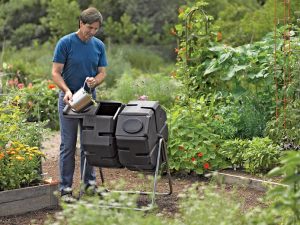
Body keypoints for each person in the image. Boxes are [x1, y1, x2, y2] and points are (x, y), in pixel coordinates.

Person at [52, 7, 107, 198]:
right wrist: (66, 90)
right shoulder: (65, 43)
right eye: (89, 28)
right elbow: (55, 72)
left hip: (89, 100)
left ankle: (89, 185)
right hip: (68, 100)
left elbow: (102, 72)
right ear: (81, 23)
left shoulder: (98, 45)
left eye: (96, 29)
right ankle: (65, 189)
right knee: (68, 145)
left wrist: (96, 81)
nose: (92, 32)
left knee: (89, 144)